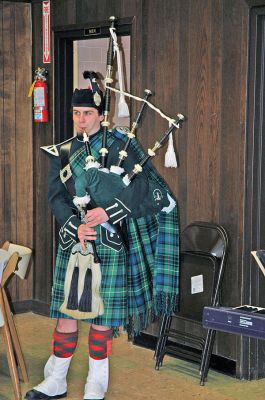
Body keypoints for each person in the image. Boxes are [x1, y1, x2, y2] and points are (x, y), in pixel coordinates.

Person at [25, 80, 180, 400]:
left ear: (100, 115)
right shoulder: (64, 150)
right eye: (76, 113)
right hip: (76, 243)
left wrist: (110, 213)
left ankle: (96, 383)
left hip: (109, 243)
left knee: (102, 320)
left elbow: (142, 187)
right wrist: (73, 224)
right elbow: (56, 197)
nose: (81, 119)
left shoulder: (121, 145)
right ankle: (57, 380)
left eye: (88, 113)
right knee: (67, 316)